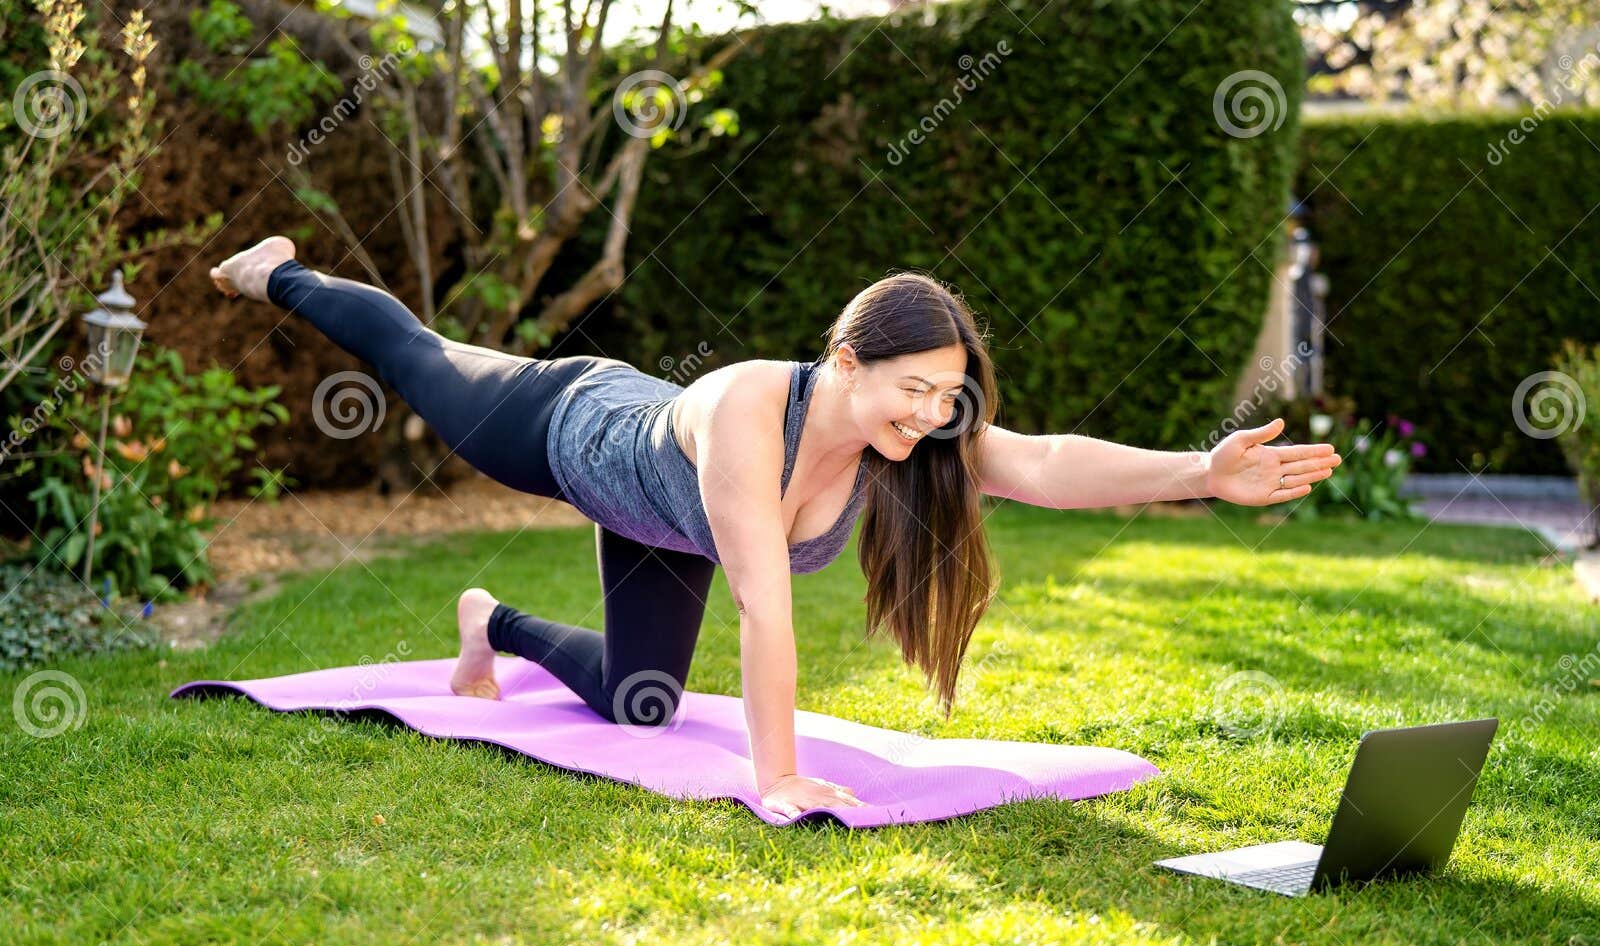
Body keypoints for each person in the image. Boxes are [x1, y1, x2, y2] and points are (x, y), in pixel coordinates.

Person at [210, 237, 1341, 819]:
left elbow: (1040, 460)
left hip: (660, 526)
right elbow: (763, 601)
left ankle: (490, 620)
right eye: (912, 387)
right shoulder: (758, 406)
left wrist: (1200, 469)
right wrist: (780, 773)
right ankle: (283, 273)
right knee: (415, 355)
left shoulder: (917, 439)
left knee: (637, 703)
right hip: (565, 424)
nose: (931, 413)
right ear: (847, 361)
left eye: (948, 396)